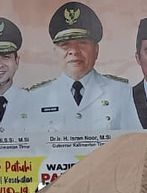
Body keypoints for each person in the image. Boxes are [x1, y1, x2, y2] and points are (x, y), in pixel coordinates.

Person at [29, 1, 128, 132]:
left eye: (82, 43)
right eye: (65, 44)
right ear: (55, 52)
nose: (74, 51)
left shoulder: (122, 92)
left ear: (96, 50)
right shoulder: (36, 97)